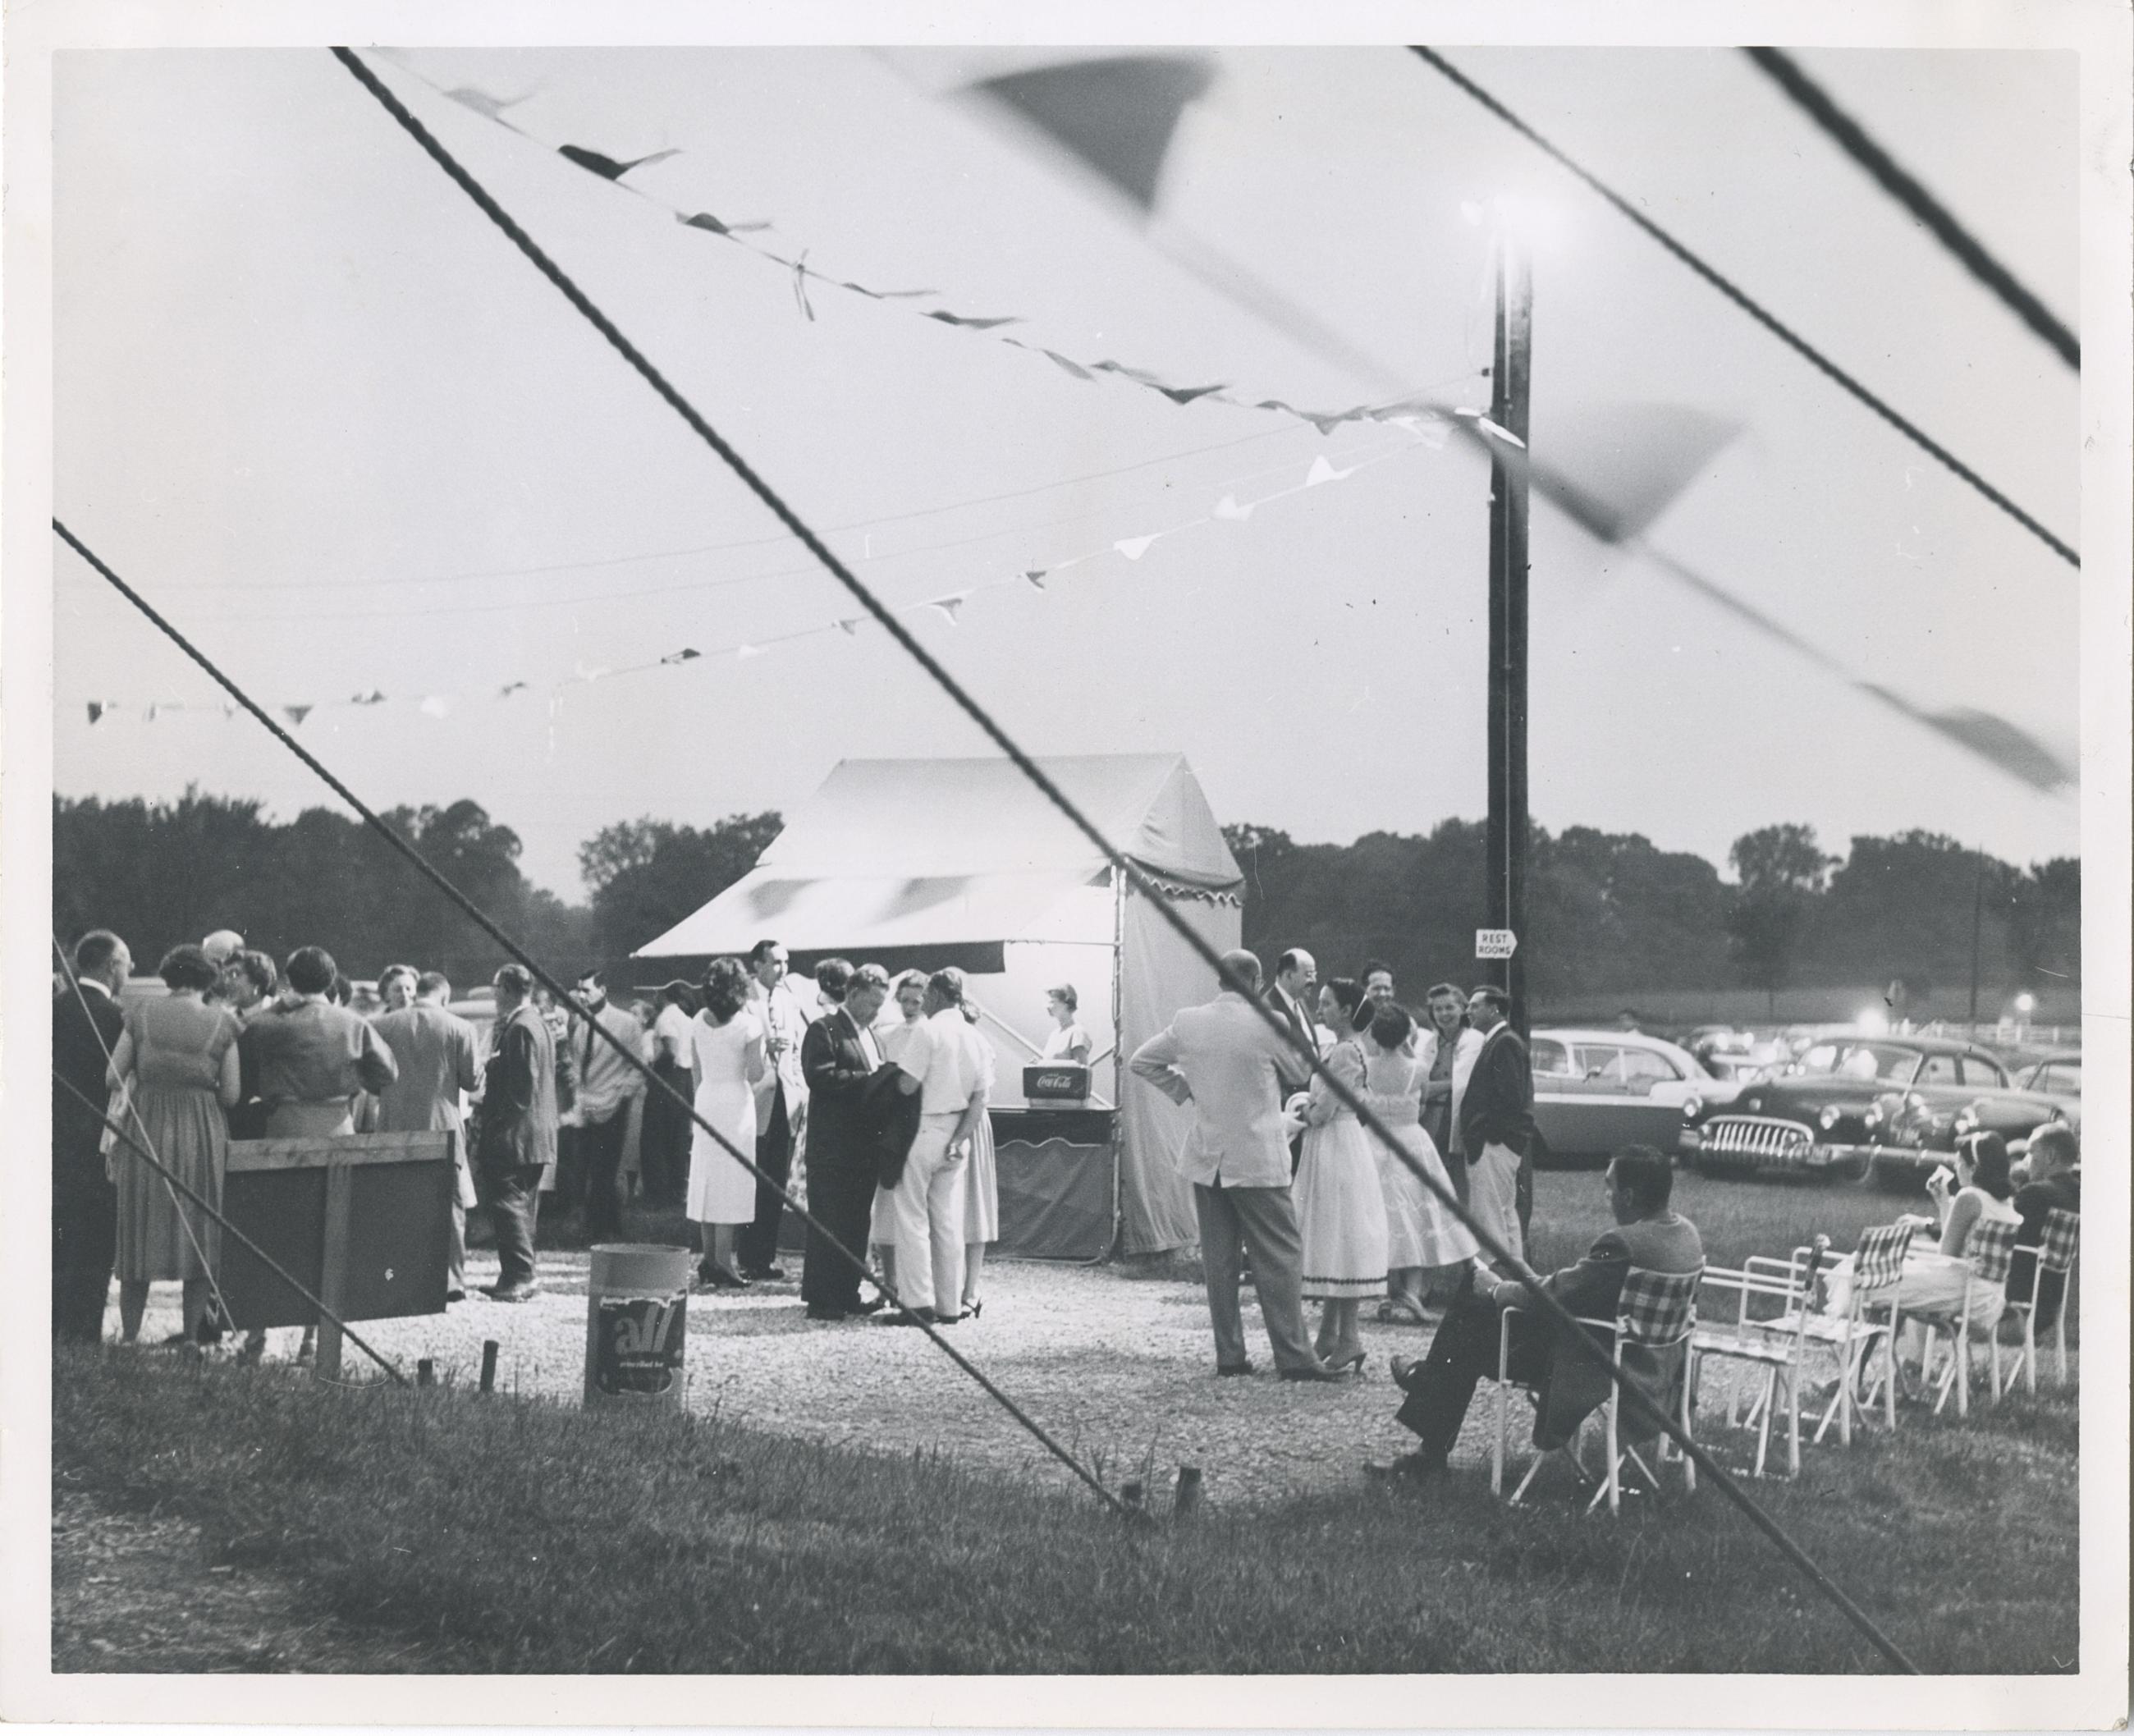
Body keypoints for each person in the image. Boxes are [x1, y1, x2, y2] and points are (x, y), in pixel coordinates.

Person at [1368, 1146, 1703, 1484]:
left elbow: (1557, 1296)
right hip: (1653, 1365)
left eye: (1610, 1186)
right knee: (1477, 1316)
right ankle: (1428, 1399)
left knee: (1474, 1311)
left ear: (1628, 1196)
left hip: (1596, 1366)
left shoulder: (1624, 1244)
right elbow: (1575, 1291)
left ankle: (1428, 1426)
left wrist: (1497, 1289)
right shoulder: (1686, 1235)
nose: (1607, 1195)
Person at [1129, 950, 1338, 1381]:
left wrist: (1187, 1090)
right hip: (1258, 1158)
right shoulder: (1270, 1023)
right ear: (1259, 980)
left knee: (1219, 1262)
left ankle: (1230, 1356)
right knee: (1279, 1256)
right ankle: (1294, 1357)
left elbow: (1142, 1061)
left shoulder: (1188, 1021)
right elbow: (1299, 1069)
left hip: (1208, 1158)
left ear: (1219, 979)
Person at [106, 944, 243, 1346]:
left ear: (168, 975)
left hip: (146, 1124)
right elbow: (231, 1095)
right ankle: (190, 1339)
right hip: (200, 1129)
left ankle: (129, 1335)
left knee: (139, 1223)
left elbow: (113, 1077)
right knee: (199, 1227)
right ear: (208, 979)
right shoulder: (224, 1022)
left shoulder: (141, 1013)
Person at [877, 969, 990, 1326]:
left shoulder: (929, 1030)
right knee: (947, 1221)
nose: (922, 1001)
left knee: (911, 1218)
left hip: (923, 1127)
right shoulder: (976, 1038)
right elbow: (980, 1099)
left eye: (926, 994)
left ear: (939, 995)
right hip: (957, 1131)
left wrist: (886, 1081)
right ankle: (949, 1305)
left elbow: (908, 1086)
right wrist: (960, 1138)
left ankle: (917, 1303)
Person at [1363, 1001, 1480, 1325]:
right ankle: (1412, 1291)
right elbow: (1422, 1097)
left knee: (1387, 1216)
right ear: (1405, 1035)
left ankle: (1390, 1290)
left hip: (1374, 1141)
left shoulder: (1367, 1067)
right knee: (1418, 1213)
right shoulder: (1416, 1068)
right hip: (1411, 1141)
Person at [1294, 978, 1388, 1372]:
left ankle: (1349, 1337)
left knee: (1340, 1231)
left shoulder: (1347, 1053)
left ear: (1347, 1010)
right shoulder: (1342, 1049)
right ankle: (1329, 1335)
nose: (1320, 1009)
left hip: (1337, 1143)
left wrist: (1298, 1111)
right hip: (1332, 1144)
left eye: (1327, 1003)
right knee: (1333, 1235)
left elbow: (1323, 1112)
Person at [372, 971, 483, 1303]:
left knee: (396, 1203)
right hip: (442, 1124)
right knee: (449, 1207)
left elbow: (369, 1074)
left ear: (416, 992)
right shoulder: (461, 1028)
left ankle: (395, 1275)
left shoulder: (382, 1025)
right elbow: (472, 1081)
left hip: (394, 1123)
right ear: (445, 997)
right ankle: (450, 1281)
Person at [799, 962, 891, 1320]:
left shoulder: (873, 1036)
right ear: (852, 995)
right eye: (872, 1003)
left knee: (856, 1223)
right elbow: (818, 1076)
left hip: (863, 1145)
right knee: (829, 1222)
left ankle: (847, 1290)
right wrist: (868, 1078)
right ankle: (822, 1298)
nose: (876, 1012)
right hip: (832, 1146)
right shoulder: (824, 1030)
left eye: (881, 1005)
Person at [53, 930, 131, 1344]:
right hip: (98, 1139)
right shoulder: (115, 1017)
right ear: (111, 966)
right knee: (95, 1236)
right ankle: (82, 1335)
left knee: (56, 1233)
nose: (131, 971)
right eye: (127, 963)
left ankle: (47, 1328)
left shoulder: (53, 1008)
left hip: (52, 1139)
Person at [238, 946, 399, 1137]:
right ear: (331, 980)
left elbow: (243, 1077)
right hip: (338, 1124)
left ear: (289, 980)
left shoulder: (264, 1024)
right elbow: (387, 1073)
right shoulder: (355, 1023)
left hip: (285, 1124)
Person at [475, 964, 557, 1303]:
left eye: (496, 987)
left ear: (507, 988)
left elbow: (522, 1090)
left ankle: (522, 1275)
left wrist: (495, 1127)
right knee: (522, 1206)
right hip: (535, 1133)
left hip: (516, 1133)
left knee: (508, 1202)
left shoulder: (521, 1028)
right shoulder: (535, 1023)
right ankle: (516, 1274)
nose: (494, 994)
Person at [687, 957, 767, 1290]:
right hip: (735, 1101)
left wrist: (699, 1102)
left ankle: (709, 1260)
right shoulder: (749, 1025)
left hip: (706, 1097)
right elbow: (755, 1074)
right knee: (730, 1181)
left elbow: (695, 1070)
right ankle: (724, 1263)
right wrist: (768, 1056)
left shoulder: (696, 1020)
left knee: (706, 1179)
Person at [740, 939, 810, 1281]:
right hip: (754, 1097)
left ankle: (764, 1258)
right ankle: (746, 1254)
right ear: (758, 966)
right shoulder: (745, 1000)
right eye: (776, 963)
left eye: (786, 962)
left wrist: (799, 1086)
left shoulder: (790, 1000)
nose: (783, 969)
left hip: (787, 1098)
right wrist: (765, 1049)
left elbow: (796, 1049)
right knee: (752, 1178)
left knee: (775, 1181)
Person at [560, 970, 647, 1243]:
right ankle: (603, 1224)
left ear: (603, 990)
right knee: (582, 1166)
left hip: (612, 1105)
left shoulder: (626, 1023)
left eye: (587, 990)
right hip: (585, 1104)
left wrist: (622, 1094)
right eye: (579, 990)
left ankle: (600, 1228)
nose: (581, 996)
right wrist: (575, 1084)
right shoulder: (581, 1022)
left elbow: (639, 1066)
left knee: (604, 1169)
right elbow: (576, 1061)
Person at [1457, 984, 1535, 1260]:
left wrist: (1489, 1135)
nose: (1469, 1011)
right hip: (1498, 1143)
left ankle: (1492, 1284)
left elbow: (1510, 1097)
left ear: (1494, 1009)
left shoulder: (1505, 1043)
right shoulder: (1498, 1041)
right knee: (1505, 1213)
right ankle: (1517, 1278)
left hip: (1495, 1144)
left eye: (1474, 1006)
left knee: (1488, 1216)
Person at [869, 970, 932, 1287]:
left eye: (916, 1001)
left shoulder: (932, 1033)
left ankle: (915, 1282)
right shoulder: (887, 1035)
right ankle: (889, 1280)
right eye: (904, 1000)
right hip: (891, 1127)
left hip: (920, 1126)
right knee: (886, 1207)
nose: (909, 1007)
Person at [1417, 983, 1483, 1209]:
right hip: (1429, 1120)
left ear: (1463, 1009)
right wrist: (1443, 1086)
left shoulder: (1473, 1039)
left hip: (1457, 1118)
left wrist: (1433, 1088)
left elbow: (1464, 1084)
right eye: (1438, 1009)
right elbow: (1417, 1083)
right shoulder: (1428, 1042)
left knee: (1458, 1181)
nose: (1444, 1014)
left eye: (1449, 1008)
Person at [2008, 1122, 2081, 1327]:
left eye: (2031, 1153)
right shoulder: (2081, 1196)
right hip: (2050, 1307)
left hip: (2013, 1308)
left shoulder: (2035, 1194)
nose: (2025, 1160)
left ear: (2050, 1157)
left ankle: (1914, 1360)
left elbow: (2001, 1238)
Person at [959, 995, 1001, 1319]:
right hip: (956, 1120)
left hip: (970, 1123)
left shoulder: (977, 1045)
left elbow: (979, 1094)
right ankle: (963, 1287)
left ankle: (971, 1289)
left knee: (974, 1206)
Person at [642, 981, 698, 1208]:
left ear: (662, 994)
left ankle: (658, 1193)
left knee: (655, 1137)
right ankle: (677, 1191)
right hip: (685, 1079)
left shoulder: (666, 1017)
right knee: (678, 1137)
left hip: (668, 1077)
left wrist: (652, 1065)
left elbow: (671, 1051)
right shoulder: (687, 1019)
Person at [1042, 985, 1092, 1065]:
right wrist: (1039, 1064)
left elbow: (1080, 1070)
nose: (1047, 1007)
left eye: (1052, 1002)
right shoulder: (1054, 1034)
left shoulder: (1077, 1032)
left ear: (1066, 1005)